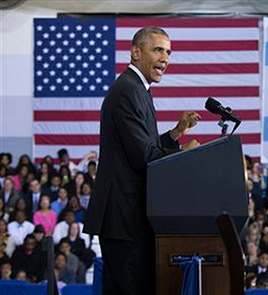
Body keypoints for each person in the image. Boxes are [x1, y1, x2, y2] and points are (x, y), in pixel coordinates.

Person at [83, 27, 201, 295]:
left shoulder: (137, 88)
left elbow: (142, 147)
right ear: (136, 52)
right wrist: (187, 154)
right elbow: (143, 157)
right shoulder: (128, 90)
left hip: (125, 219)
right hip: (124, 219)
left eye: (168, 52)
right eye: (158, 49)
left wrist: (175, 134)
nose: (165, 58)